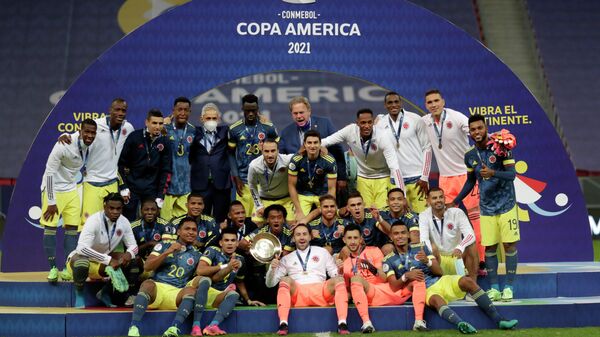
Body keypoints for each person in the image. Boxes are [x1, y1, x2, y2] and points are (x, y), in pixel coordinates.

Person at [385, 221, 518, 334]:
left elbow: (439, 272)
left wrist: (428, 261)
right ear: (391, 237)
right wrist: (406, 276)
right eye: (396, 234)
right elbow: (393, 286)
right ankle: (461, 324)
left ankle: (500, 319)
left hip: (439, 281)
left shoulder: (421, 247)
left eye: (403, 232)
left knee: (468, 281)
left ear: (408, 234)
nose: (400, 236)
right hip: (424, 291)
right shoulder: (389, 260)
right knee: (437, 300)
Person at [453, 114, 520, 302]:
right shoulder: (469, 156)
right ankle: (494, 288)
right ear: (469, 132)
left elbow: (512, 175)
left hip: (506, 204)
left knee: (508, 245)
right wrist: (456, 200)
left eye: (479, 128)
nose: (476, 132)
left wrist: (493, 173)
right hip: (486, 208)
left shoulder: (501, 146)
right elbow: (470, 181)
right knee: (489, 248)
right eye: (473, 130)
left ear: (485, 127)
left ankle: (508, 287)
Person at [421, 89, 485, 271]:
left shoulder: (457, 118)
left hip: (467, 176)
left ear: (443, 101)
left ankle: (480, 259)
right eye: (429, 102)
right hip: (445, 180)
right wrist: (379, 119)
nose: (433, 105)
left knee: (475, 219)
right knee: (448, 221)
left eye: (436, 101)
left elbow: (477, 132)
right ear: (426, 105)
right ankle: (453, 262)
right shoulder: (425, 122)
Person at [58, 98, 135, 228]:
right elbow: (77, 135)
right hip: (92, 182)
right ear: (110, 110)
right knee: (88, 224)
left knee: (111, 224)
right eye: (117, 110)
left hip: (112, 183)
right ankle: (84, 249)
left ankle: (108, 249)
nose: (121, 113)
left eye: (123, 110)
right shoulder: (97, 125)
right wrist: (65, 134)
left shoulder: (128, 128)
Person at [127, 217, 205, 337]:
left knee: (191, 291)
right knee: (147, 284)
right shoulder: (164, 245)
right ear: (178, 231)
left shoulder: (197, 255)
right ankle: (134, 328)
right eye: (187, 229)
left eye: (194, 230)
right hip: (157, 289)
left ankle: (173, 329)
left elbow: (202, 273)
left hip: (176, 293)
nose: (191, 232)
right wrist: (167, 252)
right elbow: (147, 266)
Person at [266, 223, 350, 335]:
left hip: (321, 292)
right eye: (298, 234)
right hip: (298, 293)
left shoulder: (322, 252)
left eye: (305, 234)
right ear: (293, 238)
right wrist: (272, 269)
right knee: (284, 280)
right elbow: (270, 284)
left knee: (339, 280)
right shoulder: (286, 259)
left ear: (310, 237)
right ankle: (283, 324)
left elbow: (335, 275)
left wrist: (340, 270)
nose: (301, 237)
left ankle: (342, 323)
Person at [342, 224, 427, 333]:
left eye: (355, 238)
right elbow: (349, 291)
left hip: (390, 291)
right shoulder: (346, 264)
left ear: (361, 239)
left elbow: (384, 278)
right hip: (370, 295)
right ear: (344, 240)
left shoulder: (374, 251)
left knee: (418, 277)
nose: (353, 241)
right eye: (349, 238)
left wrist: (371, 267)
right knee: (356, 279)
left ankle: (419, 322)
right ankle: (367, 323)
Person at [41, 118, 97, 282]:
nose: (90, 135)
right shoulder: (63, 144)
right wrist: (51, 201)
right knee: (50, 228)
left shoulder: (92, 143)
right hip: (53, 190)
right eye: (86, 131)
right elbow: (49, 172)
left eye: (93, 132)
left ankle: (67, 268)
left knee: (72, 229)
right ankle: (52, 268)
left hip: (71, 189)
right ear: (79, 131)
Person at [321, 108, 403, 209]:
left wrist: (403, 195)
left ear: (373, 122)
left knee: (383, 213)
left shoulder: (383, 136)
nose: (367, 126)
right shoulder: (350, 131)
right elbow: (327, 140)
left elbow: (395, 167)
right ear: (357, 123)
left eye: (369, 122)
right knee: (366, 214)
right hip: (363, 179)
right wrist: (317, 146)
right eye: (363, 123)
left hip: (383, 177)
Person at [68, 193, 138, 308]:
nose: (115, 211)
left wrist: (129, 254)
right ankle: (79, 294)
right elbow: (82, 248)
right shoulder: (94, 220)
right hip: (83, 261)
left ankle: (105, 292)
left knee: (133, 261)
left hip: (102, 263)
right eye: (111, 208)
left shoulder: (124, 222)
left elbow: (133, 246)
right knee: (81, 261)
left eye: (118, 208)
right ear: (105, 207)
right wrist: (108, 260)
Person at [195, 227, 266, 335]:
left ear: (237, 243)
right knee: (206, 281)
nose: (230, 244)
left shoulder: (240, 259)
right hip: (203, 293)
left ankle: (212, 326)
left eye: (233, 241)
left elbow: (239, 281)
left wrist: (248, 300)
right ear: (220, 242)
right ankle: (195, 327)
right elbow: (202, 272)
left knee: (234, 294)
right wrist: (227, 267)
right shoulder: (212, 251)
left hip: (219, 297)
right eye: (226, 240)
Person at [279, 96, 348, 205]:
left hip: (325, 186)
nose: (299, 116)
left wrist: (342, 178)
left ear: (309, 111)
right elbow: (281, 160)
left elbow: (338, 152)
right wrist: (299, 153)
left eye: (301, 112)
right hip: (301, 190)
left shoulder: (325, 124)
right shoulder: (286, 132)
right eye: (295, 113)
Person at [376, 92, 431, 213]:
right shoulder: (380, 124)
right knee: (400, 220)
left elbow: (427, 148)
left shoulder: (415, 119)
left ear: (401, 103)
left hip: (417, 179)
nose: (394, 105)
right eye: (390, 102)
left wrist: (425, 177)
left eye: (396, 102)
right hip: (395, 180)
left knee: (423, 217)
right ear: (385, 105)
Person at [228, 94, 279, 217]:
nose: (250, 113)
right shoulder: (234, 129)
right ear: (242, 109)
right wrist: (236, 176)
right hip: (244, 181)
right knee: (243, 218)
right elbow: (230, 154)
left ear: (258, 109)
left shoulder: (268, 128)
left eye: (253, 110)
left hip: (264, 182)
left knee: (262, 219)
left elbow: (277, 151)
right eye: (247, 111)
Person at [119, 109, 172, 221]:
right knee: (128, 221)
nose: (157, 127)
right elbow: (121, 164)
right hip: (132, 188)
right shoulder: (134, 137)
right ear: (146, 122)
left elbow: (166, 171)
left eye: (160, 123)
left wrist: (161, 195)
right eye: (154, 123)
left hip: (151, 189)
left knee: (151, 221)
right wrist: (123, 186)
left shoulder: (165, 141)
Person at [419, 188, 479, 283]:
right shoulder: (423, 216)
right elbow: (424, 240)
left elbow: (470, 235)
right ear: (428, 201)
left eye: (441, 197)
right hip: (438, 259)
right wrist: (432, 253)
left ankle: (473, 285)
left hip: (457, 257)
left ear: (445, 198)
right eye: (434, 198)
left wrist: (460, 247)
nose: (438, 200)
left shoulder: (457, 213)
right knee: (429, 248)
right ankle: (435, 282)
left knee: (471, 245)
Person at [189, 103, 231, 223]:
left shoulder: (225, 132)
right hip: (200, 183)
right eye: (208, 118)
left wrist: (261, 120)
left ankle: (220, 241)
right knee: (201, 219)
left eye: (214, 118)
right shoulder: (193, 133)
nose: (211, 121)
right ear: (202, 119)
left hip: (221, 184)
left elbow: (241, 129)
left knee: (221, 219)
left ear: (219, 118)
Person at [288, 130, 337, 222]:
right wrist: (298, 210)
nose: (312, 146)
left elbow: (332, 188)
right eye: (309, 143)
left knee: (332, 219)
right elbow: (291, 186)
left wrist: (330, 205)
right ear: (304, 144)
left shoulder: (329, 161)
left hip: (323, 194)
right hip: (303, 193)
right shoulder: (296, 160)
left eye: (315, 143)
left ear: (320, 144)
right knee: (296, 221)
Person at [162, 97, 196, 220]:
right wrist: (161, 126)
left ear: (190, 112)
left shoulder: (194, 131)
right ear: (173, 111)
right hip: (166, 188)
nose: (182, 113)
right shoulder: (164, 128)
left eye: (186, 110)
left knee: (183, 225)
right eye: (179, 109)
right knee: (164, 225)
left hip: (186, 187)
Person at [247, 138, 295, 225]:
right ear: (262, 151)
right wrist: (258, 206)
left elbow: (303, 154)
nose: (270, 155)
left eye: (273, 151)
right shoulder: (254, 165)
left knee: (292, 224)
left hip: (285, 199)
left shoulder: (287, 160)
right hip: (264, 200)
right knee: (256, 223)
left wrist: (322, 148)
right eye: (266, 151)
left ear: (278, 151)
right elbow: (252, 186)